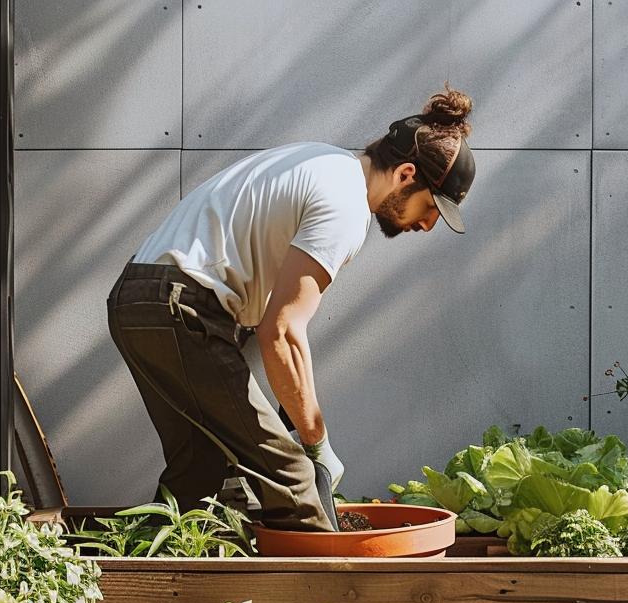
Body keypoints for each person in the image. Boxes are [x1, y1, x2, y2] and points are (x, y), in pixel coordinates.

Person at [106, 87, 476, 531]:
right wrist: (317, 444)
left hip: (139, 299)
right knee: (295, 484)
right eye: (431, 207)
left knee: (198, 470)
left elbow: (269, 313)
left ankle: (127, 567)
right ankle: (328, 572)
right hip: (181, 308)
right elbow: (280, 332)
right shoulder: (346, 206)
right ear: (405, 174)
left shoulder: (323, 161)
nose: (428, 225)